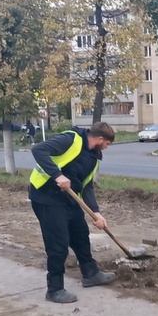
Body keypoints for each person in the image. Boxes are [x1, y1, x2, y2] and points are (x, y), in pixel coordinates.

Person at [29, 122, 116, 303]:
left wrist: (96, 212)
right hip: (46, 196)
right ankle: (54, 289)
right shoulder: (71, 139)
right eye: (107, 144)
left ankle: (90, 274)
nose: (107, 148)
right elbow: (38, 150)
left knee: (80, 235)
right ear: (100, 139)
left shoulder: (94, 156)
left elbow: (87, 186)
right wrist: (57, 175)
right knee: (58, 243)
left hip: (69, 198)